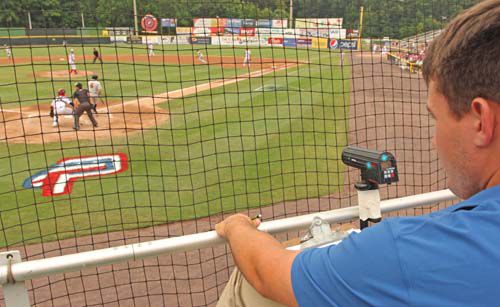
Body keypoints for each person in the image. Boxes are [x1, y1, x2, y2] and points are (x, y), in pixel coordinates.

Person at [215, 1, 500, 306]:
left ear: (481, 122)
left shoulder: (408, 253)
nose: (434, 140)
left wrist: (236, 227)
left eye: (436, 117)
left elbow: (265, 274)